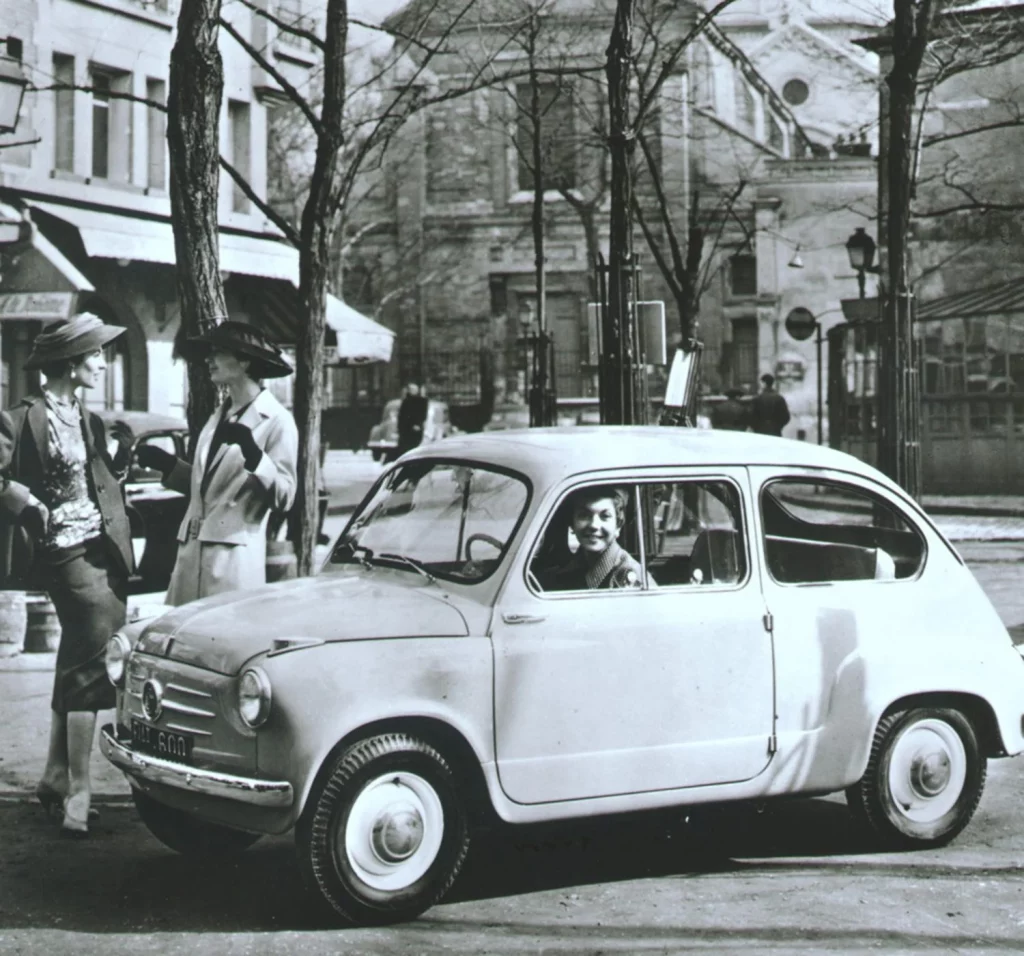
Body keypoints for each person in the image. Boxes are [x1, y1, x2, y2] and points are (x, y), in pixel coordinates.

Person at [0, 313, 135, 837]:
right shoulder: (22, 416)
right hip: (62, 555)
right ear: (72, 362)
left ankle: (56, 776)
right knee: (91, 667)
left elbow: (94, 483)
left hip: (101, 551)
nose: (103, 363)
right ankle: (81, 789)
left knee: (79, 657)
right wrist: (26, 500)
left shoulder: (88, 417)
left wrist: (117, 465)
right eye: (96, 355)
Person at [136, 321, 298, 605]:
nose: (209, 359)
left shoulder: (277, 421)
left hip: (233, 560)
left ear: (245, 361)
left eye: (219, 352)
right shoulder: (219, 416)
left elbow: (285, 497)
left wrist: (254, 455)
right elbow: (210, 490)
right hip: (191, 556)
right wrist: (169, 466)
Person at [541, 485, 654, 591]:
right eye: (584, 515)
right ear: (572, 524)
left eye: (605, 516)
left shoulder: (634, 579)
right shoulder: (566, 570)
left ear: (618, 526)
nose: (594, 525)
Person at [392, 382, 429, 461]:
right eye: (413, 389)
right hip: (408, 432)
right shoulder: (407, 401)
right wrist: (413, 425)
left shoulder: (416, 401)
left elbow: (422, 412)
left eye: (416, 389)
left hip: (412, 431)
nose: (415, 391)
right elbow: (405, 417)